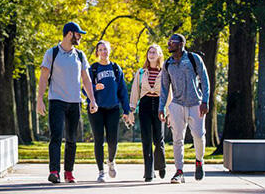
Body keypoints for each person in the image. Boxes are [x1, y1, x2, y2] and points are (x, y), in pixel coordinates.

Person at [37, 22, 98, 184]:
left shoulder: (80, 55)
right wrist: (39, 100)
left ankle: (69, 172)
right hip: (56, 101)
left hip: (75, 102)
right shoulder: (52, 53)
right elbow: (43, 77)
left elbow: (86, 79)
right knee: (56, 136)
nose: (80, 37)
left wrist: (92, 99)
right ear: (70, 34)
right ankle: (54, 171)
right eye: (78, 34)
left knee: (72, 139)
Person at [159, 34, 210, 183]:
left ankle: (199, 161)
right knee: (177, 139)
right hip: (177, 104)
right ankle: (179, 171)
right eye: (168, 42)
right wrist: (162, 107)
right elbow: (164, 88)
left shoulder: (194, 59)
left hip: (196, 104)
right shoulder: (168, 64)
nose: (168, 44)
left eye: (172, 42)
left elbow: (205, 81)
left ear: (181, 44)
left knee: (199, 136)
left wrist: (205, 101)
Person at [87, 40, 130, 182]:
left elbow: (122, 90)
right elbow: (84, 88)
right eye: (100, 49)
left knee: (112, 141)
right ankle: (101, 172)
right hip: (96, 109)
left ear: (109, 51)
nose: (103, 52)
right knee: (98, 140)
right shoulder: (93, 69)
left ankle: (111, 161)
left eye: (105, 49)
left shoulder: (116, 69)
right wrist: (94, 88)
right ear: (97, 52)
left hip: (113, 109)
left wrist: (126, 110)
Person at [129, 44, 171, 182]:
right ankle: (148, 172)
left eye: (154, 52)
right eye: (149, 52)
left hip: (160, 105)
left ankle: (161, 165)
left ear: (159, 55)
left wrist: (169, 112)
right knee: (146, 140)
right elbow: (135, 92)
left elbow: (169, 92)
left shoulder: (165, 72)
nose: (151, 54)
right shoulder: (141, 72)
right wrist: (131, 110)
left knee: (158, 139)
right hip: (145, 105)